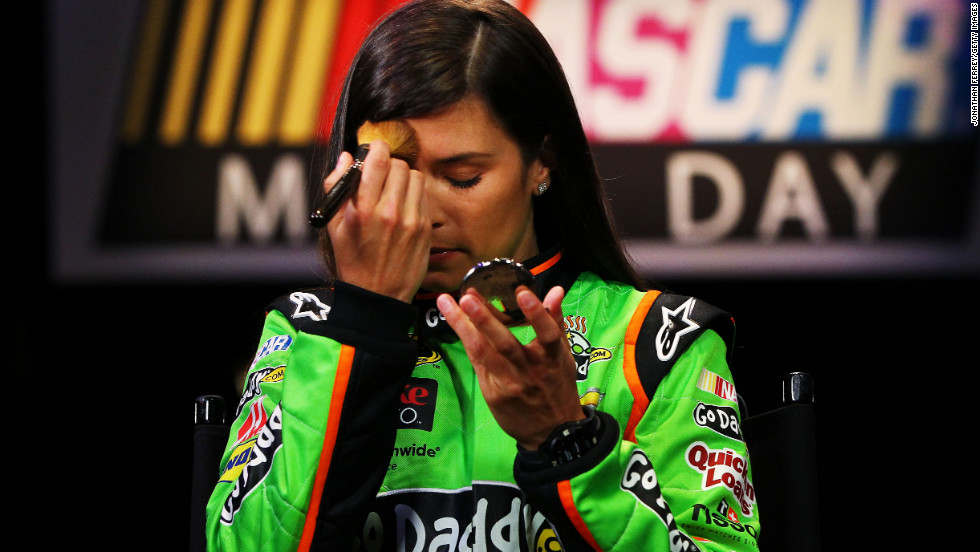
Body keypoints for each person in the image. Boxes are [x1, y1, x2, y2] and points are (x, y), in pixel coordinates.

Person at [206, 1, 760, 550]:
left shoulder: (658, 342)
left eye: (463, 177)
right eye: (392, 177)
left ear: (541, 162)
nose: (419, 213)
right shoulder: (306, 333)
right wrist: (362, 323)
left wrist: (567, 441)